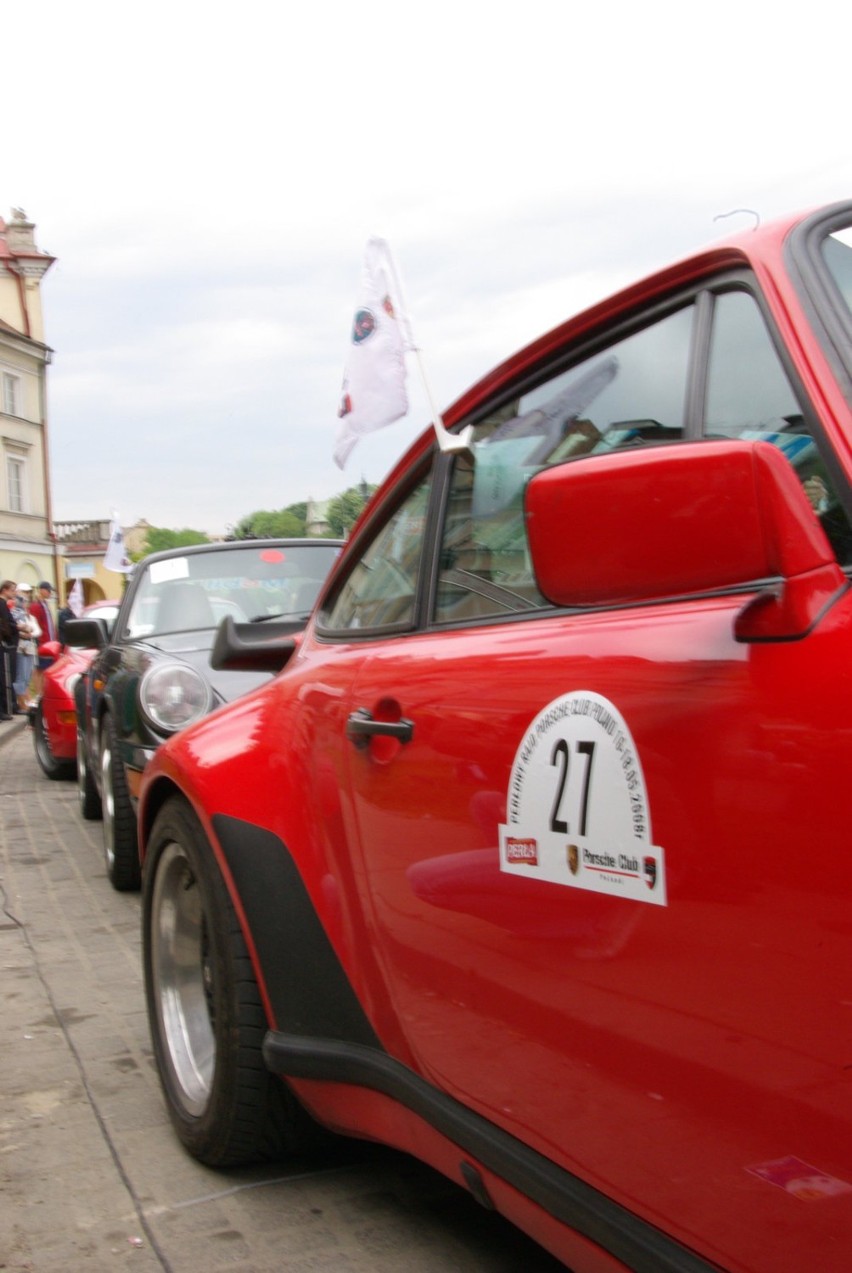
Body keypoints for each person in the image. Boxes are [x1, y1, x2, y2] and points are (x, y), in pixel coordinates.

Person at [10, 584, 39, 712]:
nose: (26, 598)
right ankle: (21, 703)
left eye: (28, 594)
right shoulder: (15, 612)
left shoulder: (27, 614)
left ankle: (25, 701)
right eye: (24, 594)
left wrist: (29, 630)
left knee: (27, 676)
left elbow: (34, 629)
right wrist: (26, 630)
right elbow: (18, 628)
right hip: (21, 646)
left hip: (29, 645)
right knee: (21, 675)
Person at [27, 580, 56, 699]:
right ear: (42, 590)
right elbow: (35, 625)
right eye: (48, 590)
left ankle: (44, 692)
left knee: (46, 669)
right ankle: (39, 694)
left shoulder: (44, 605)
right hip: (41, 643)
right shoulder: (36, 606)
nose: (50, 593)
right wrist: (38, 642)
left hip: (49, 643)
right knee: (39, 670)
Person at [0, 579, 19, 719]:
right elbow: (6, 624)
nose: (14, 593)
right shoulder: (1, 604)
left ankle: (9, 707)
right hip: (5, 643)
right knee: (3, 677)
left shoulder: (3, 604)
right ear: (5, 590)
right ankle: (4, 709)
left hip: (5, 643)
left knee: (7, 677)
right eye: (12, 590)